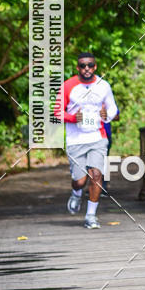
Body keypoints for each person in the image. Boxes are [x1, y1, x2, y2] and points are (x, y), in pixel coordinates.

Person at [54, 52, 118, 229]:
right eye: (83, 65)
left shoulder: (103, 86)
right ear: (78, 68)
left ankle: (91, 216)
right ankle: (76, 192)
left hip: (98, 137)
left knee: (96, 174)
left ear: (95, 66)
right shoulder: (68, 86)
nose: (87, 68)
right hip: (76, 140)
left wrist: (108, 115)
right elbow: (57, 112)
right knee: (80, 180)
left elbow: (113, 109)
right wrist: (73, 118)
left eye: (90, 65)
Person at [101, 107, 120, 196]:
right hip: (88, 135)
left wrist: (106, 115)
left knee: (104, 161)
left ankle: (103, 186)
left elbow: (117, 116)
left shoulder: (106, 98)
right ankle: (94, 186)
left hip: (105, 135)